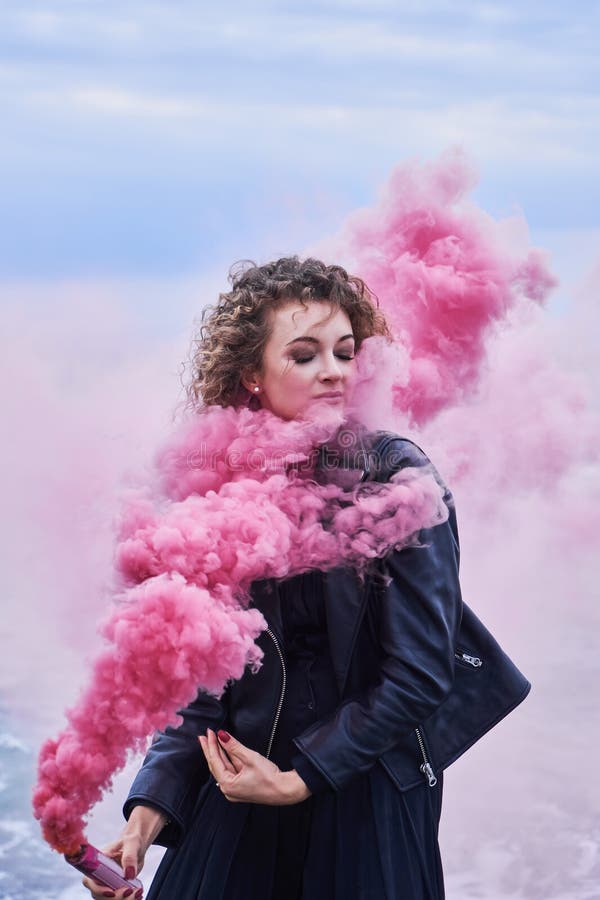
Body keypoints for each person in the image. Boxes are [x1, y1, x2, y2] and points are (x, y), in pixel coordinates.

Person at [82, 256, 529, 900]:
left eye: (345, 353)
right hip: (237, 790)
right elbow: (201, 688)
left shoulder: (394, 476)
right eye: (303, 355)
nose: (333, 372)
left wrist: (298, 779)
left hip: (365, 796)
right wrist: (147, 815)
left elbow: (422, 671)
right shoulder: (212, 480)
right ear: (251, 375)